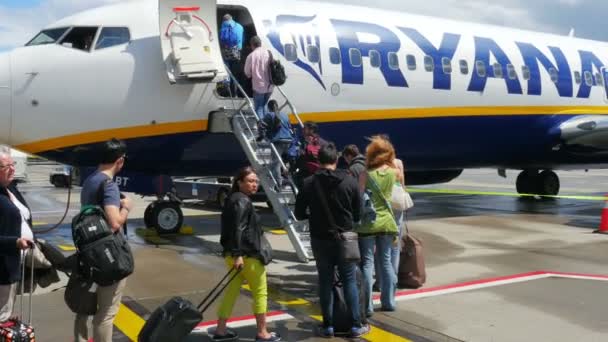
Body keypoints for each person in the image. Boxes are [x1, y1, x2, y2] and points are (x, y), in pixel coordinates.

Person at [295, 143, 369, 338]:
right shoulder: (350, 181)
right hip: (345, 239)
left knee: (325, 282)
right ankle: (355, 325)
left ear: (318, 161)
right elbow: (358, 213)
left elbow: (299, 213)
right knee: (349, 280)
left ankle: (327, 325)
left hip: (320, 239)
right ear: (336, 160)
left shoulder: (309, 183)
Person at [74, 138, 133, 342]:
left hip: (89, 254)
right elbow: (115, 223)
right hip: (107, 257)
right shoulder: (109, 185)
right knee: (106, 315)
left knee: (85, 309)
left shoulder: (90, 181)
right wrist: (126, 206)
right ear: (120, 161)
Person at [214, 167, 281, 342]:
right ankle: (262, 332)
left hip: (233, 255)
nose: (254, 184)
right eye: (250, 181)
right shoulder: (243, 201)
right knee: (260, 293)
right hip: (247, 256)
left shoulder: (231, 199)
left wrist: (234, 253)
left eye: (256, 181)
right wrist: (238, 254)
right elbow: (239, 228)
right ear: (239, 182)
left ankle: (220, 330)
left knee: (231, 292)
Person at [357, 136, 403, 316]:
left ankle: (367, 306)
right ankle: (389, 301)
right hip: (387, 222)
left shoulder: (364, 174)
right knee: (386, 262)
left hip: (368, 223)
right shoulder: (394, 173)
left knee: (367, 264)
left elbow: (360, 198)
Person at [0, 146, 35, 322]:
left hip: (15, 262)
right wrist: (15, 242)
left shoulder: (10, 188)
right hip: (3, 268)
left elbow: (23, 217)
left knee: (6, 314)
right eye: (7, 166)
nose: (13, 169)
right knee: (2, 316)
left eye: (13, 164)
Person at [264, 100, 295, 188]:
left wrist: (263, 136)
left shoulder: (269, 115)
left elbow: (262, 126)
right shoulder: (285, 115)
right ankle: (291, 181)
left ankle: (279, 184)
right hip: (288, 141)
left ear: (269, 108)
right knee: (285, 162)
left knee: (276, 164)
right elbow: (289, 127)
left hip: (278, 141)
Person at [244, 36, 273, 120]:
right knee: (265, 107)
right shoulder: (268, 53)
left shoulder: (251, 56)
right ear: (260, 43)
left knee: (259, 108)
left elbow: (247, 73)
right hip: (270, 86)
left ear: (252, 45)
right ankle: (268, 127)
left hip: (259, 87)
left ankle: (262, 129)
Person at [219, 14, 245, 96]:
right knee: (236, 74)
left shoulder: (223, 27)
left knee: (228, 73)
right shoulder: (240, 27)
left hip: (227, 54)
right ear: (232, 18)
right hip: (237, 53)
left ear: (223, 20)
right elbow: (242, 39)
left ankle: (229, 92)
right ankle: (238, 92)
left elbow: (221, 40)